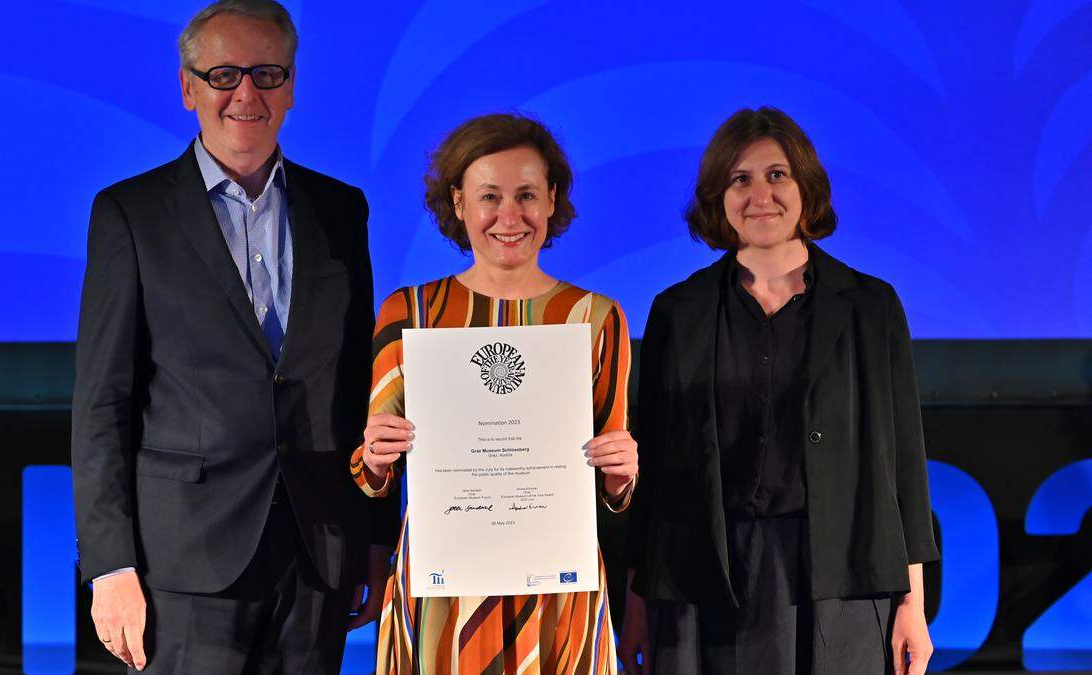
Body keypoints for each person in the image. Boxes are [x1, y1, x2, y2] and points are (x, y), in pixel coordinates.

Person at [71, 1, 396, 671]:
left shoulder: (341, 209)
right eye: (223, 74)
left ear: (293, 87)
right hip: (185, 561)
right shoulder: (130, 214)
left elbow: (363, 385)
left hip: (319, 550)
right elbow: (102, 401)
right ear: (189, 88)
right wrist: (109, 564)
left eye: (267, 73)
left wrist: (375, 536)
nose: (246, 92)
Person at [618, 107, 938, 675]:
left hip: (841, 573)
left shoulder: (870, 305)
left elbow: (904, 467)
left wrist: (912, 606)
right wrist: (637, 603)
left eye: (776, 175)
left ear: (805, 188)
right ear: (718, 196)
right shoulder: (678, 311)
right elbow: (656, 474)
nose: (758, 194)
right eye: (740, 179)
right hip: (705, 579)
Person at [351, 113, 639, 674]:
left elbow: (614, 490)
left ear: (552, 200)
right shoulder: (409, 314)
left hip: (559, 597)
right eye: (490, 196)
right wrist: (377, 457)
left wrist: (622, 472)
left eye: (527, 194)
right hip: (442, 594)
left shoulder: (597, 319)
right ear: (458, 203)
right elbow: (370, 477)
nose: (510, 216)